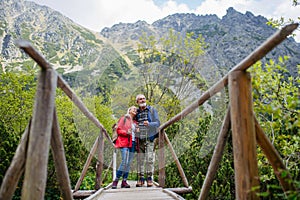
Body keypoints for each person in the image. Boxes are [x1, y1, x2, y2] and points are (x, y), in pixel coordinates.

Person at [135, 94, 160, 187]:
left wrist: (149, 124)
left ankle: (149, 178)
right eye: (140, 99)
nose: (142, 100)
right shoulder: (136, 112)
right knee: (140, 160)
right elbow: (132, 123)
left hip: (150, 138)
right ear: (137, 102)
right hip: (140, 139)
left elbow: (158, 123)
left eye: (143, 99)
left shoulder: (152, 110)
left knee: (149, 159)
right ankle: (141, 179)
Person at [112, 106, 138, 189]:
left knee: (128, 163)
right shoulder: (124, 118)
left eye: (136, 110)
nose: (135, 110)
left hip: (133, 143)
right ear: (129, 110)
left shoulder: (135, 122)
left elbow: (136, 133)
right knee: (124, 162)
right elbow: (118, 130)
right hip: (124, 142)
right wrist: (126, 132)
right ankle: (116, 180)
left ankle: (124, 181)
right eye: (133, 108)